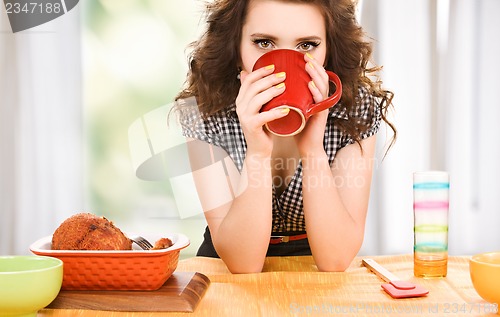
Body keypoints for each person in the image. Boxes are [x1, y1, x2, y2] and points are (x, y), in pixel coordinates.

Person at [174, 0, 396, 273]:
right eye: (264, 42)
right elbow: (243, 265)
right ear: (235, 49)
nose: (285, 64)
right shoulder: (204, 109)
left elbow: (336, 260)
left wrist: (313, 150)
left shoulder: (355, 107)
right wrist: (257, 152)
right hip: (227, 266)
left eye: (307, 45)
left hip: (314, 262)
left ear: (328, 50)